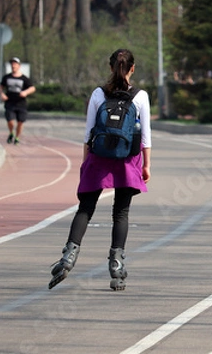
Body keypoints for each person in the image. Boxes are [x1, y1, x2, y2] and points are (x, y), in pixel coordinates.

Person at [49, 48, 152, 291]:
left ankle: (68, 258)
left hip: (99, 158)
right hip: (128, 160)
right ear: (132, 68)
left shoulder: (98, 93)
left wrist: (86, 163)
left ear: (110, 67)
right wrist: (146, 165)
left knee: (85, 208)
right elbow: (145, 136)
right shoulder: (140, 96)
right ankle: (116, 266)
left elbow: (88, 132)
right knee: (121, 212)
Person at [0, 57, 36, 145]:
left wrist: (25, 92)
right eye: (12, 64)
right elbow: (0, 87)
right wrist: (2, 94)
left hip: (21, 103)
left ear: (19, 66)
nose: (13, 65)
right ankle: (11, 133)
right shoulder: (7, 77)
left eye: (15, 64)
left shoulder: (24, 78)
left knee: (20, 122)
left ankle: (17, 137)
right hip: (10, 102)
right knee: (10, 120)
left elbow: (32, 88)